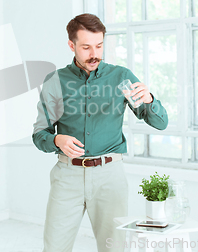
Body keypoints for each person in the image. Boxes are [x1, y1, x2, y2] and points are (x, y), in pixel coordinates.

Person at [32, 13, 168, 252]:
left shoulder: (121, 77)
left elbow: (160, 123)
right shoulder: (55, 80)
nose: (94, 53)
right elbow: (39, 134)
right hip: (67, 176)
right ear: (71, 45)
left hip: (110, 177)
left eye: (99, 45)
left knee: (114, 248)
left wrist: (150, 99)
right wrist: (56, 139)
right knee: (54, 248)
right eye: (86, 47)